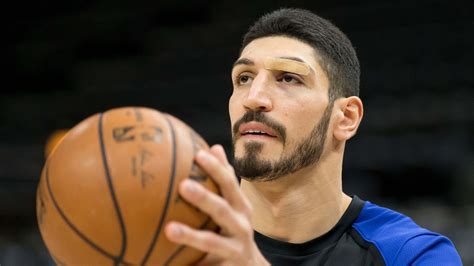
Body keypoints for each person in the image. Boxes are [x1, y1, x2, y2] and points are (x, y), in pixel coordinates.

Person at [164, 8, 462, 265]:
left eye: (288, 78)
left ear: (346, 118)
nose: (253, 98)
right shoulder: (170, 241)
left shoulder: (412, 254)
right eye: (244, 78)